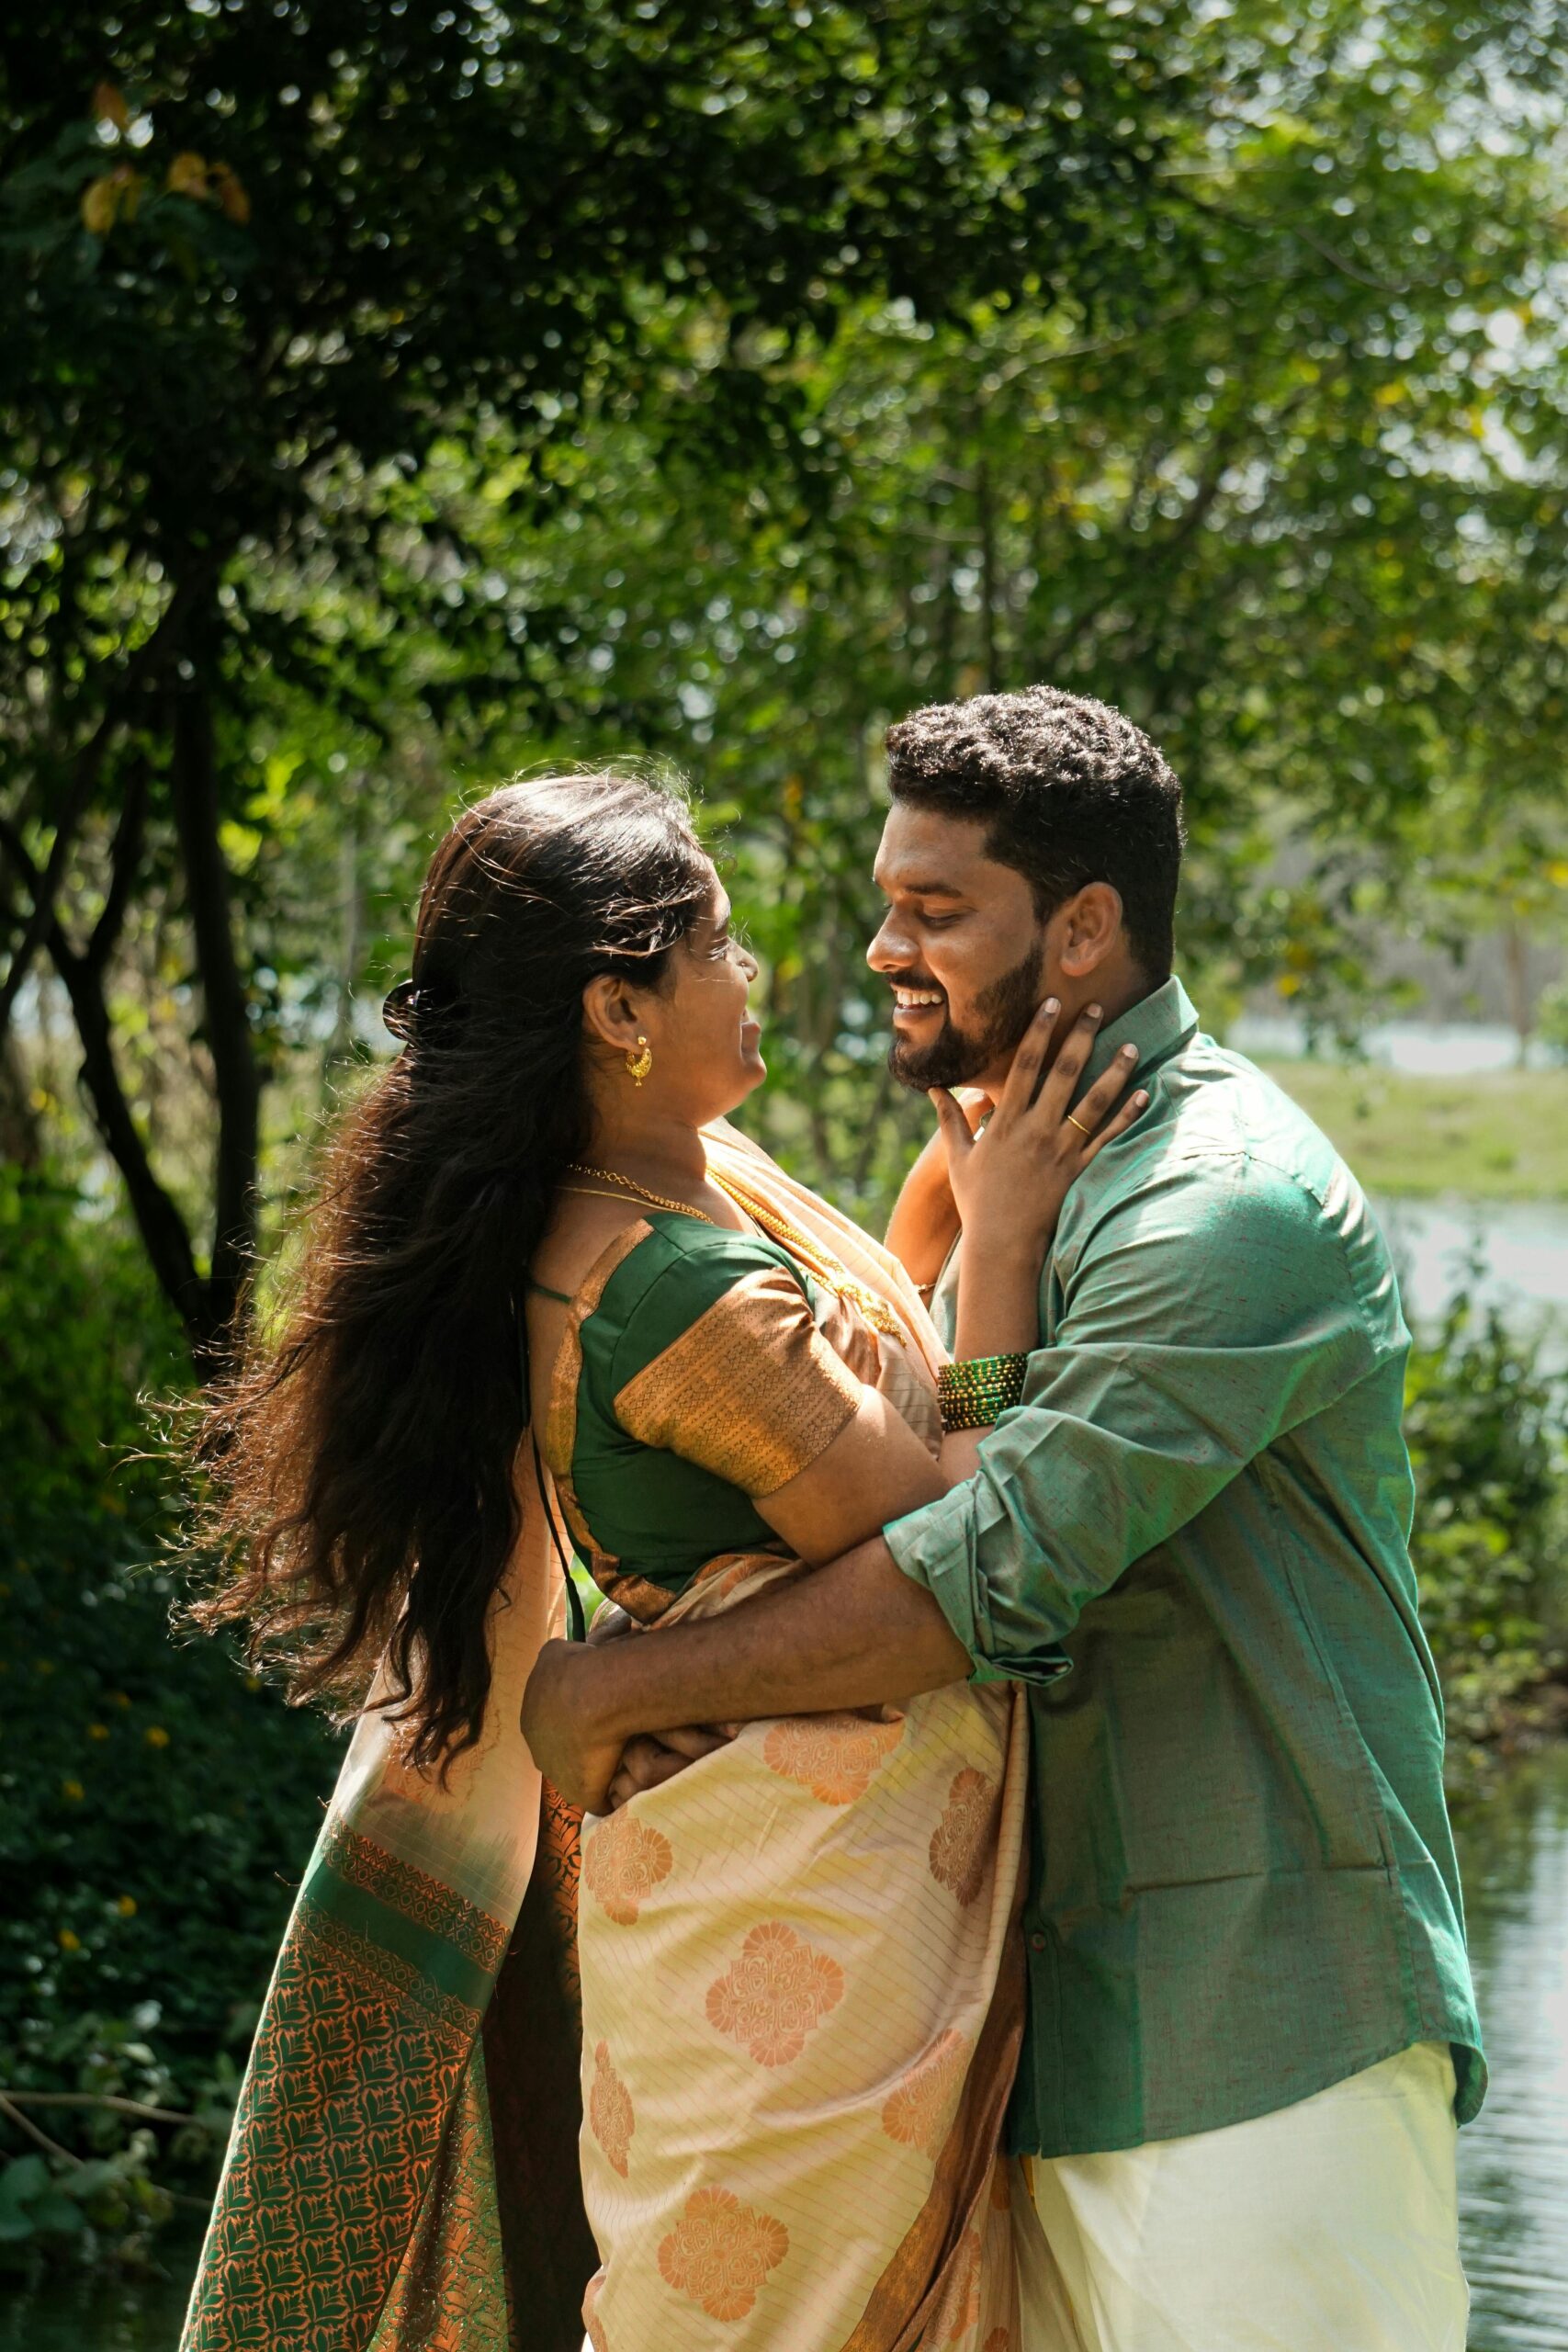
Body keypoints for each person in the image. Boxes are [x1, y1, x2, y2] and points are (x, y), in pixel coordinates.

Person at [524, 689, 1486, 2352]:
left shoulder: (1218, 1203)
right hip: (1028, 2042)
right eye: (888, 900)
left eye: (938, 909)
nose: (886, 947)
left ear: (1088, 926)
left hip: (1258, 2026)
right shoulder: (1019, 1172)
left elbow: (968, 1578)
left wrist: (611, 1690)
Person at [175, 766, 1142, 2352]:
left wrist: (938, 1209)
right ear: (621, 1010)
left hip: (739, 1897)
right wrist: (1012, 1254)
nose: (751, 976)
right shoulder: (662, 1286)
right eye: (721, 946)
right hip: (805, 1943)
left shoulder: (653, 1194)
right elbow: (945, 1547)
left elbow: (815, 1406)